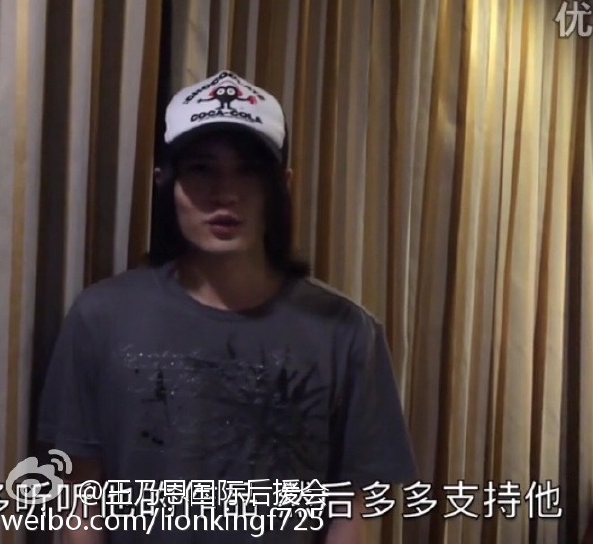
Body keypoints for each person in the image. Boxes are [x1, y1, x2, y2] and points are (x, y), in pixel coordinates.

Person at [36, 70, 418, 544]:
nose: (225, 193)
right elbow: (81, 498)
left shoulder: (345, 331)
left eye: (249, 170)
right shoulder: (101, 317)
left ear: (282, 185)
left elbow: (352, 509)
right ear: (165, 183)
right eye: (201, 169)